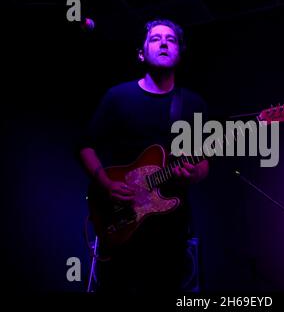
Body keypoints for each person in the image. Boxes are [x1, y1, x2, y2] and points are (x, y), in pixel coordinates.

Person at [79, 18, 209, 293]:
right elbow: (85, 145)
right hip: (122, 223)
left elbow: (204, 163)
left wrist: (193, 173)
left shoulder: (194, 103)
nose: (163, 43)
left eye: (171, 39)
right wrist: (106, 184)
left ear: (180, 53)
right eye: (155, 39)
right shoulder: (118, 96)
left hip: (172, 232)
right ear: (141, 53)